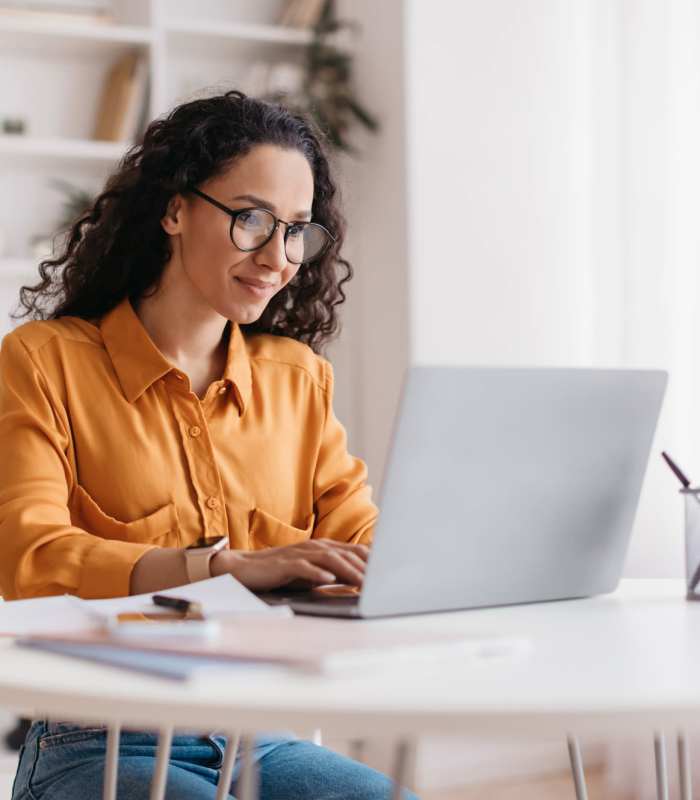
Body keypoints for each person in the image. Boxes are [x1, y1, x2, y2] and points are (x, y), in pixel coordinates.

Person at [2, 89, 419, 800]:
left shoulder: (298, 381)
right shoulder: (43, 361)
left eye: (296, 230)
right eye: (252, 219)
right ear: (174, 209)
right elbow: (28, 558)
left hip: (262, 731)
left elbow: (361, 545)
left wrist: (435, 563)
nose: (279, 257)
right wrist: (222, 567)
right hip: (96, 738)